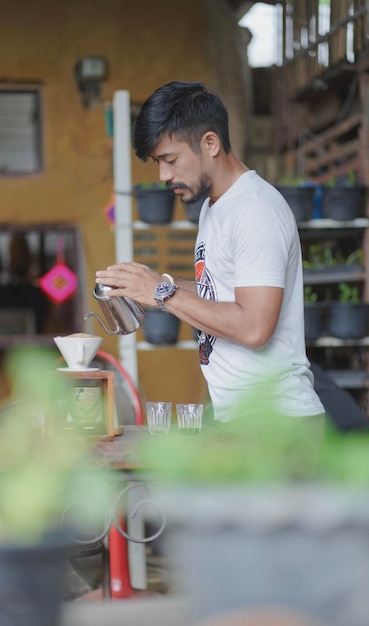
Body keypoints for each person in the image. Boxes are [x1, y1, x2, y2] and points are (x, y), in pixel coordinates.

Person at [96, 81, 325, 462]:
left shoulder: (255, 211)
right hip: (245, 420)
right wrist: (156, 285)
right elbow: (220, 292)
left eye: (170, 159)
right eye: (157, 163)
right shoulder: (215, 208)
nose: (163, 176)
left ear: (210, 144)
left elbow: (254, 326)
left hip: (277, 425)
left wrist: (161, 294)